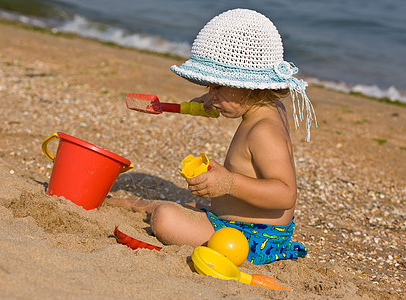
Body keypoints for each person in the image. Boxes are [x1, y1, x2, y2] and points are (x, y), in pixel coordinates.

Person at [106, 8, 315, 265]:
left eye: (217, 87)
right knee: (178, 209)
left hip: (252, 238)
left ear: (249, 87)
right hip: (233, 223)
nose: (211, 94)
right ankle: (139, 204)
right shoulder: (266, 108)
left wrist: (229, 184)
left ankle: (147, 206)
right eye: (209, 87)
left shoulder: (264, 131)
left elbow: (285, 194)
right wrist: (212, 100)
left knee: (166, 219)